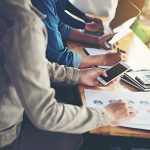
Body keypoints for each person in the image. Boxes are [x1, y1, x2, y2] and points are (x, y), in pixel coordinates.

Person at [0, 0, 135, 150]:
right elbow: (45, 114)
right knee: (84, 136)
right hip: (7, 137)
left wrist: (76, 75)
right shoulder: (23, 24)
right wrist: (106, 115)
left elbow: (29, 62)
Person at [31, 0, 126, 69]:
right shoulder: (42, 2)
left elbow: (61, 28)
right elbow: (60, 58)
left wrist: (97, 41)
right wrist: (103, 59)